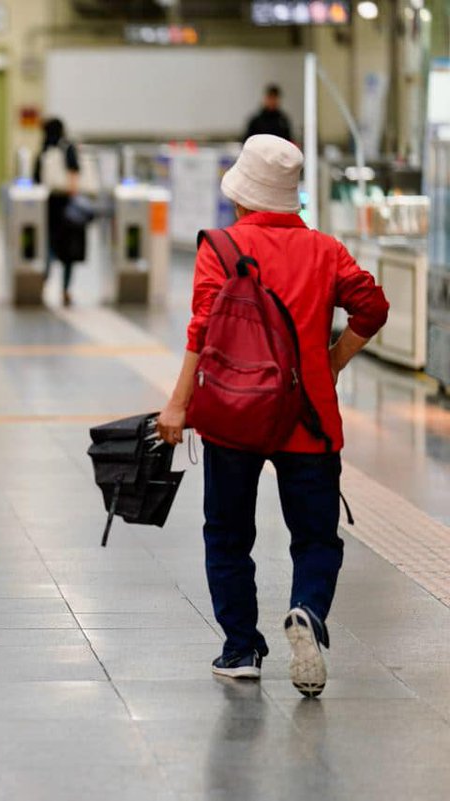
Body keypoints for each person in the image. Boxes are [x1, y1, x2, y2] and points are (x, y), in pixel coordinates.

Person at [156, 135, 388, 695]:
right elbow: (373, 307)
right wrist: (332, 359)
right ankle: (307, 609)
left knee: (228, 533)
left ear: (241, 197)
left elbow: (201, 331)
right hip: (307, 417)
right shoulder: (326, 250)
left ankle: (240, 648)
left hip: (235, 413)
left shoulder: (222, 246)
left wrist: (179, 403)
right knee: (315, 538)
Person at [34, 118, 86, 307]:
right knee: (68, 252)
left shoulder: (44, 150)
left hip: (49, 207)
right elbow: (75, 172)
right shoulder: (68, 147)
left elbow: (36, 179)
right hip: (67, 206)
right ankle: (65, 289)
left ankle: (43, 284)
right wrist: (73, 192)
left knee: (48, 247)